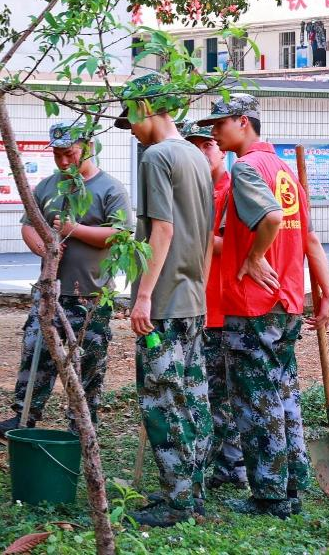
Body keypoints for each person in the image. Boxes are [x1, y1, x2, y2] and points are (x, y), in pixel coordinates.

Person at [199, 94, 329, 519]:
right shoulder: (284, 171)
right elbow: (307, 235)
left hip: (254, 303)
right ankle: (293, 482)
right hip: (287, 301)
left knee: (255, 403)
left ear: (244, 121)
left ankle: (270, 496)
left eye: (220, 124)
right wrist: (325, 288)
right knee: (282, 394)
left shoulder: (246, 169)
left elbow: (272, 219)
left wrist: (254, 257)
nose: (215, 133)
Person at [116, 74, 214, 527]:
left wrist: (143, 297)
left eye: (131, 118)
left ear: (144, 108)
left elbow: (164, 230)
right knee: (193, 397)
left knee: (162, 401)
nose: (131, 129)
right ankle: (191, 494)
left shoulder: (156, 156)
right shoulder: (196, 155)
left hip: (164, 305)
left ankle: (177, 504)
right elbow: (205, 236)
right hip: (193, 300)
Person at [0, 121, 131, 440]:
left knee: (88, 362)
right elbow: (29, 224)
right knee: (35, 353)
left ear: (88, 148)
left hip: (91, 296)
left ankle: (82, 424)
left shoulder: (110, 188)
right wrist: (42, 246)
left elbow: (121, 234)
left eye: (69, 154)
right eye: (57, 155)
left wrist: (74, 229)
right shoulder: (46, 187)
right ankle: (24, 415)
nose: (64, 162)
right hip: (50, 292)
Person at [180, 120, 247, 490]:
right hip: (198, 303)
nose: (202, 152)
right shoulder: (196, 189)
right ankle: (219, 462)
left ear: (221, 149)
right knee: (206, 389)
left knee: (222, 393)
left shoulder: (231, 188)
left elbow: (233, 244)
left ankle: (233, 467)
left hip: (225, 305)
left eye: (207, 145)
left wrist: (198, 237)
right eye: (194, 146)